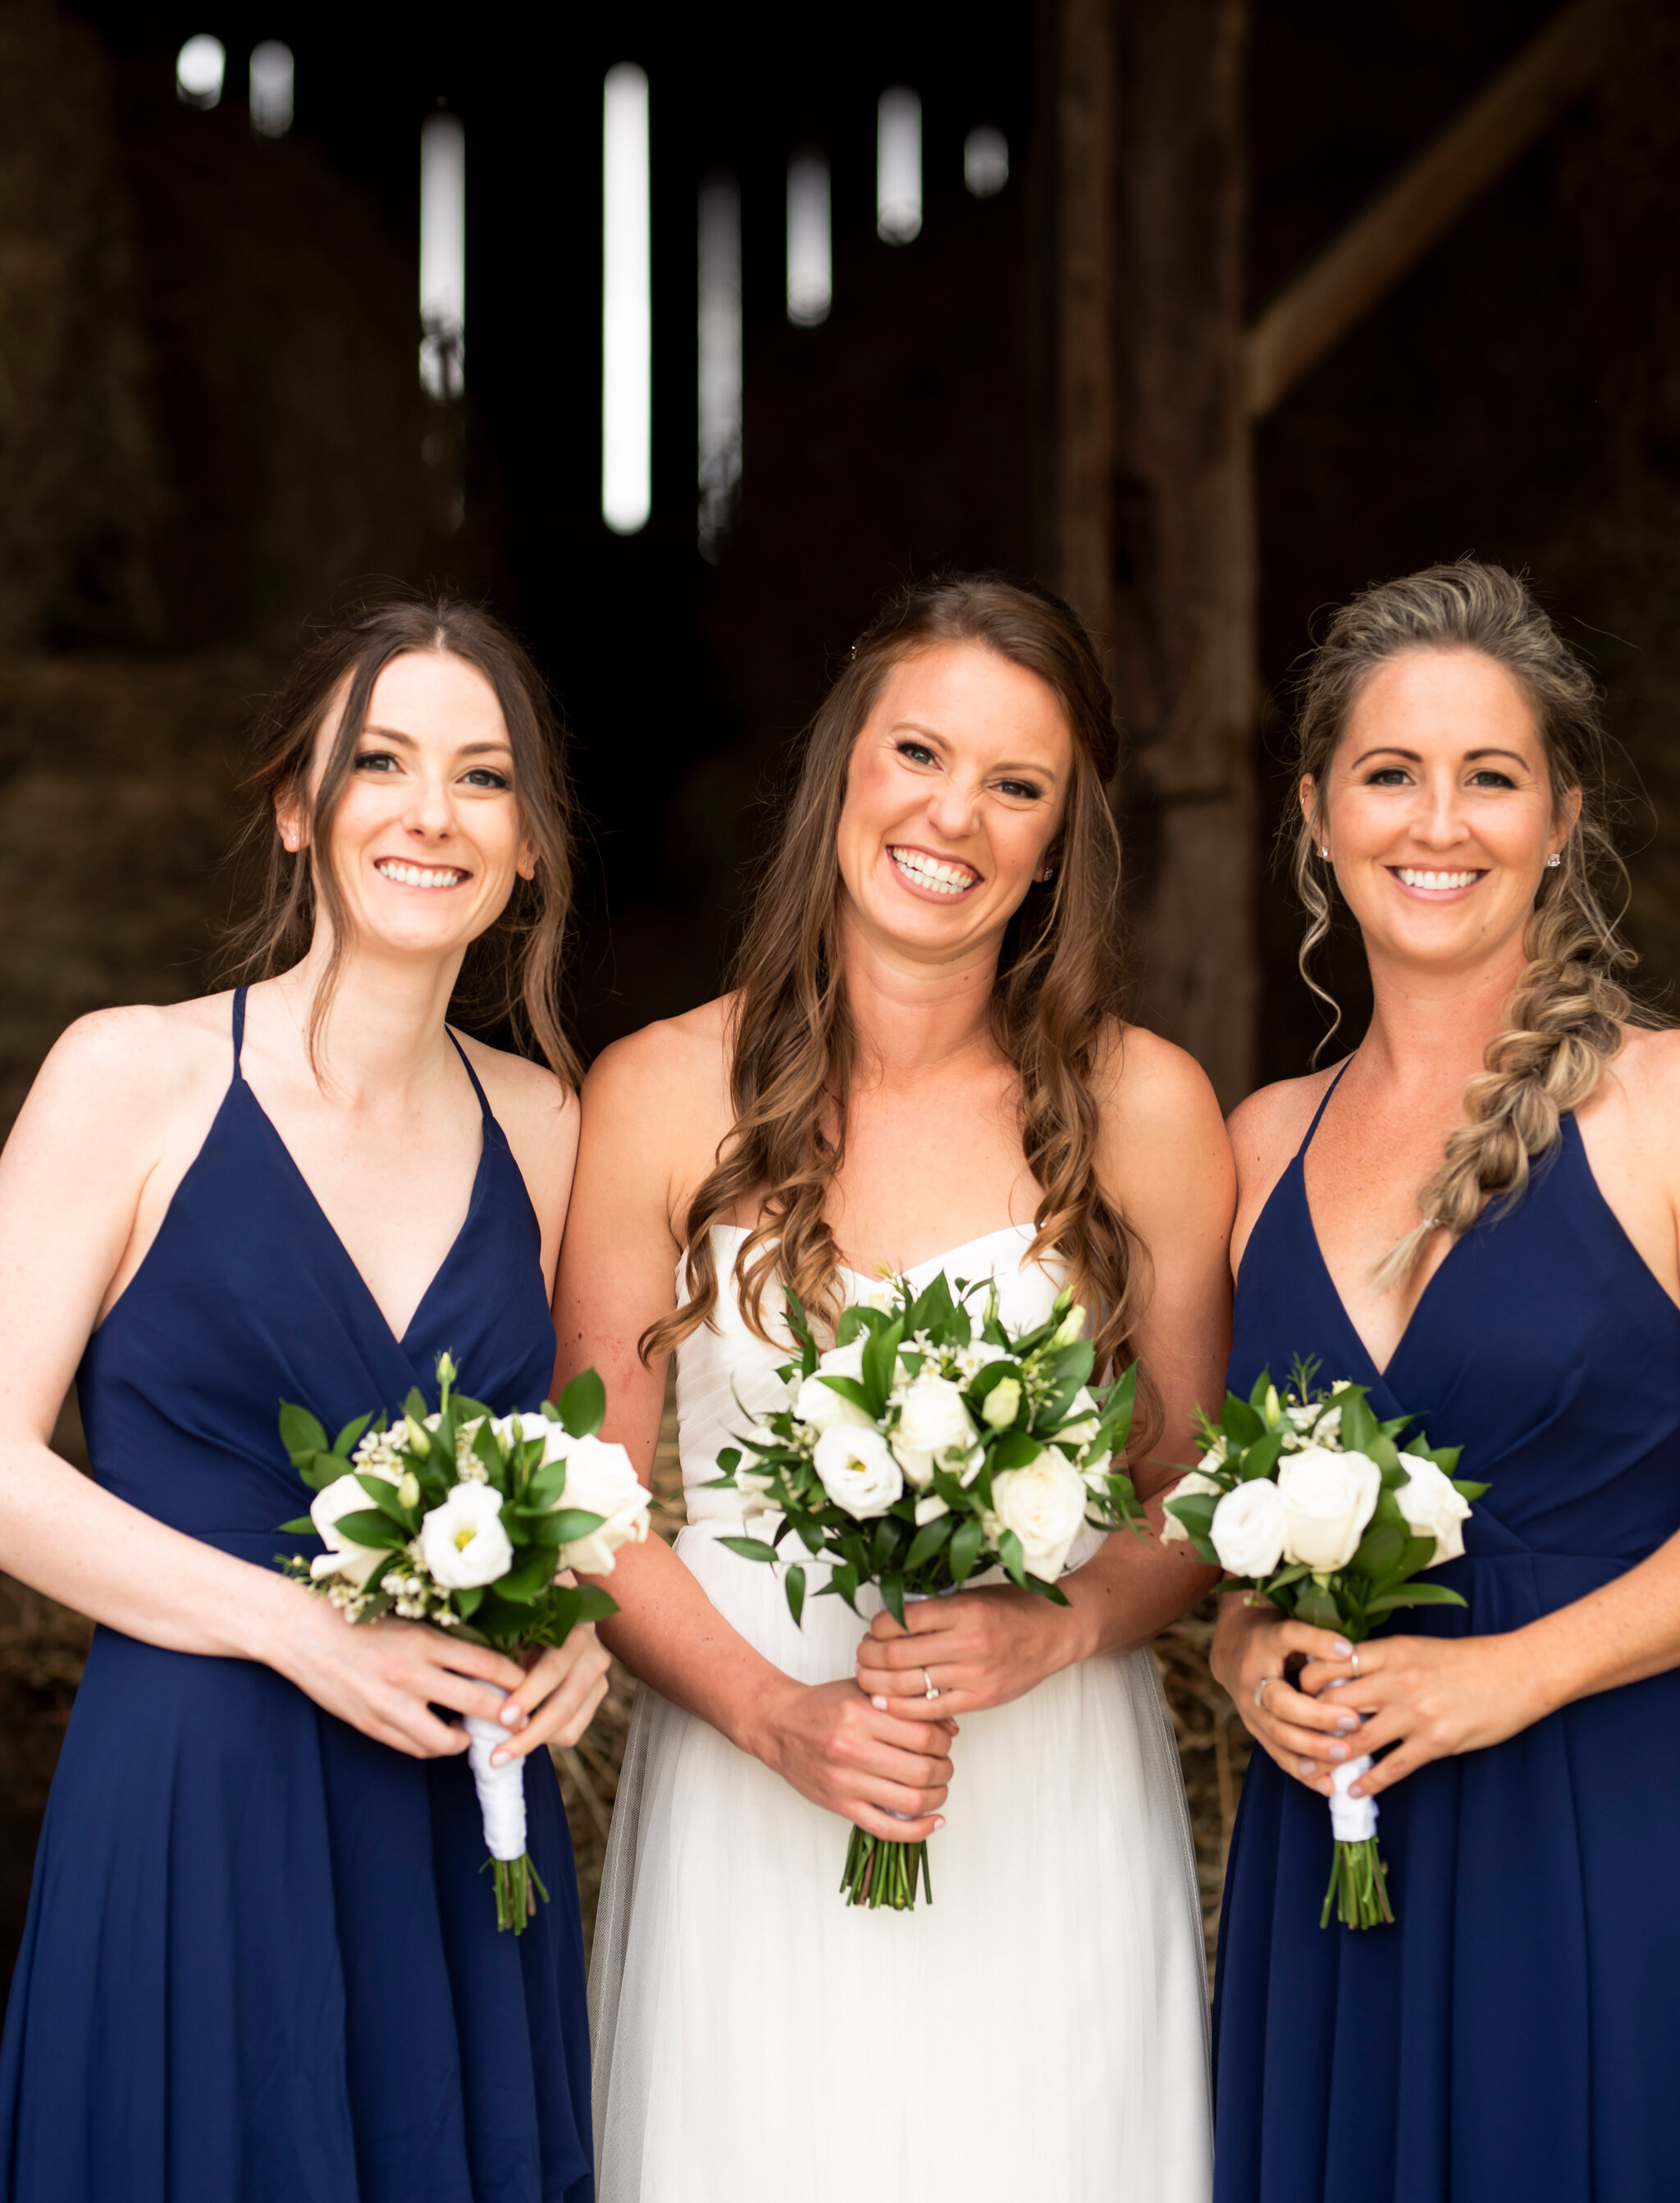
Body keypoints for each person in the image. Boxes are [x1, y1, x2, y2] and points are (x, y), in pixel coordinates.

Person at [546, 572, 1231, 2203]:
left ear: (1061, 841)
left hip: (1046, 1793)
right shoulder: (656, 1094)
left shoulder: (1144, 1104)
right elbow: (584, 1498)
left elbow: (1197, 1491)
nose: (956, 817)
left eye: (1017, 786)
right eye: (919, 753)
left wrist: (1061, 1622)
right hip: (750, 1781)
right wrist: (783, 1718)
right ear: (841, 768)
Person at [0, 596, 608, 2203]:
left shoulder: (549, 1125)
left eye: (482, 778)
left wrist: (585, 1634)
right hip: (198, 1785)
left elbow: (581, 1471)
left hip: (453, 1809)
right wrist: (294, 1623)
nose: (429, 812)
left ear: (530, 844)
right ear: (296, 805)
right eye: (380, 763)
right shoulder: (129, 1075)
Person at [1210, 560, 1680, 2203]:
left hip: (1604, 1832)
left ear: (1560, 817)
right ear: (1316, 813)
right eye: (1391, 773)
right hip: (1330, 1861)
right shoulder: (1256, 1147)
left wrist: (1518, 1674)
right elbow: (1215, 1529)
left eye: (1492, 776)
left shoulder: (1663, 1111)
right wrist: (1242, 1643)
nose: (1439, 821)